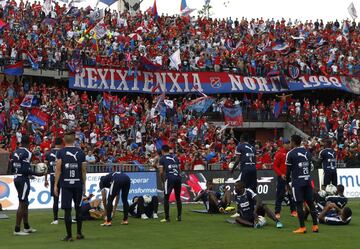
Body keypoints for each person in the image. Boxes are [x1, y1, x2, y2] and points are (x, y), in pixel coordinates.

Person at [54, 131, 87, 241]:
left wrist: (55, 185)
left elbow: (58, 170)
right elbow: (83, 170)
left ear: (64, 140)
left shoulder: (61, 152)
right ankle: (79, 233)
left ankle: (69, 236)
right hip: (78, 184)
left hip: (66, 185)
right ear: (74, 140)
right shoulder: (81, 152)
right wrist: (84, 185)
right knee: (78, 209)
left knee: (67, 211)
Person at [285, 135, 319, 234]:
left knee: (299, 204)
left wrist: (287, 184)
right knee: (311, 204)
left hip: (297, 182)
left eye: (290, 142)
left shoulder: (290, 154)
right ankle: (315, 226)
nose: (290, 143)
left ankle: (302, 227)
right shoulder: (306, 152)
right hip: (307, 180)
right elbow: (309, 167)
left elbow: (288, 172)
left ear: (294, 142)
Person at [11, 135, 42, 236]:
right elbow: (25, 169)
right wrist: (38, 174)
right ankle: (17, 229)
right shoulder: (27, 153)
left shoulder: (15, 151)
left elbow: (13, 166)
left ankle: (26, 227)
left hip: (16, 178)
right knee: (22, 202)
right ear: (29, 143)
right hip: (23, 180)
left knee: (25, 203)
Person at [272, 138, 297, 218]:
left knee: (291, 194)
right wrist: (281, 174)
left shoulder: (291, 153)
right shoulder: (279, 153)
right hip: (282, 177)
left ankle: (293, 211)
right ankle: (277, 212)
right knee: (280, 195)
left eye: (289, 143)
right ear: (283, 144)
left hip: (290, 177)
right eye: (286, 143)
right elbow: (275, 166)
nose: (288, 145)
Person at [158, 145, 182, 222]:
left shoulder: (162, 158)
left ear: (162, 151)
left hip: (170, 178)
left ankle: (167, 218)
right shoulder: (175, 157)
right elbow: (179, 169)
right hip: (178, 178)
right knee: (178, 197)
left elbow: (161, 172)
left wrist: (162, 181)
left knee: (166, 197)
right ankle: (179, 217)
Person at [44, 137, 63, 225]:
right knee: (67, 196)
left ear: (54, 143)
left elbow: (45, 167)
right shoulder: (63, 152)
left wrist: (45, 179)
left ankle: (55, 219)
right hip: (63, 177)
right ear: (61, 144)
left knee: (55, 199)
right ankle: (69, 217)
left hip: (53, 177)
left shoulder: (48, 153)